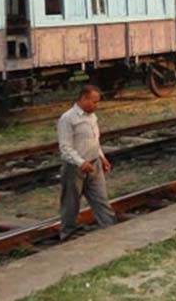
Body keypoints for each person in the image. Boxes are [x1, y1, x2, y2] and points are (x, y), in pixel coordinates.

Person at [57, 84, 117, 240]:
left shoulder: (92, 116)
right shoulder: (68, 119)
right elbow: (65, 147)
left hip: (94, 164)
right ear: (83, 99)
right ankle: (67, 234)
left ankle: (110, 228)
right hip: (75, 168)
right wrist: (81, 162)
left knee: (101, 198)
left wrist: (101, 157)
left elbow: (94, 140)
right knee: (71, 203)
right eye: (94, 102)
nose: (96, 106)